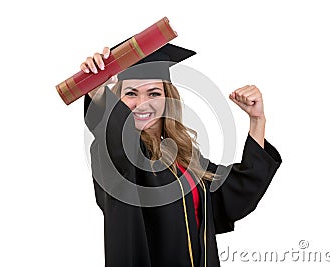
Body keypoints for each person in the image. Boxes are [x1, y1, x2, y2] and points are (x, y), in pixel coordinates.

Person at [82, 43, 282, 267]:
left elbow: (229, 195)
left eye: (154, 93)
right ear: (116, 102)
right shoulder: (116, 154)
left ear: (168, 98)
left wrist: (257, 120)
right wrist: (98, 93)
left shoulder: (184, 157)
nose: (142, 103)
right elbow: (119, 140)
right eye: (130, 93)